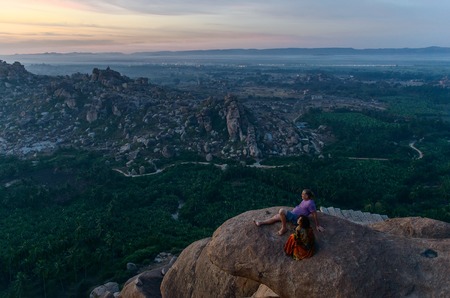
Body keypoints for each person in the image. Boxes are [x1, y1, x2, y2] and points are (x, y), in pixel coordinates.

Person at [253, 189, 324, 235]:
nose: (301, 195)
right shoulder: (305, 200)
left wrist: (317, 225)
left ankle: (284, 228)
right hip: (293, 214)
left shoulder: (310, 203)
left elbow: (314, 214)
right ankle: (260, 223)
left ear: (307, 196)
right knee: (275, 217)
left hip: (297, 218)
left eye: (303, 194)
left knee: (282, 211)